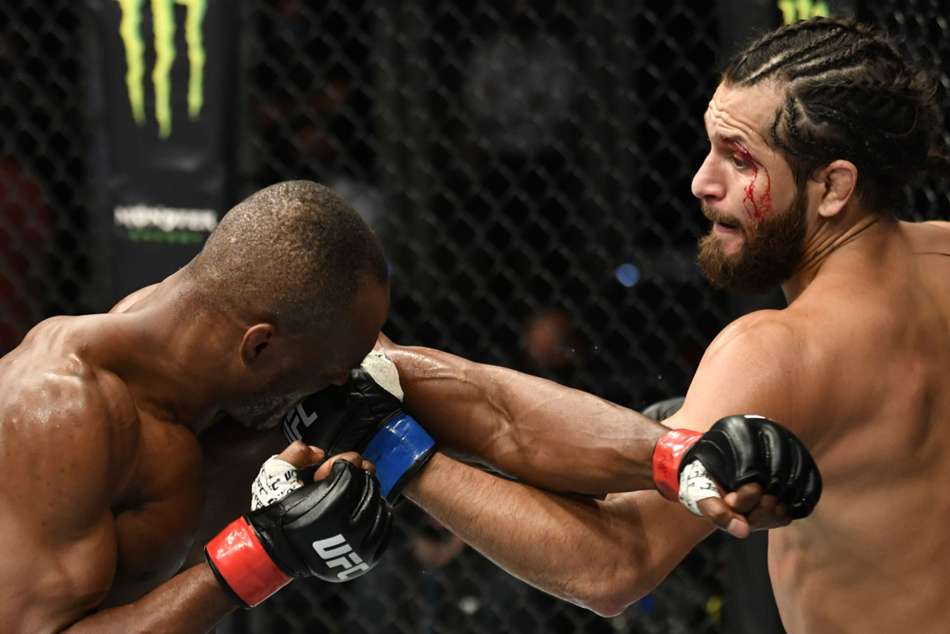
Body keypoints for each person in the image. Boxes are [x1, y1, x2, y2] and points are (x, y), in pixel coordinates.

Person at [289, 16, 950, 633]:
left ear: (833, 188)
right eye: (710, 147)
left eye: (740, 159)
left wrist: (391, 447)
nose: (701, 182)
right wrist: (389, 369)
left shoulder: (781, 353)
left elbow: (612, 566)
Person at [0, 180, 393, 633]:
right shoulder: (63, 411)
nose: (338, 384)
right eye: (329, 371)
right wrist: (264, 551)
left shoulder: (197, 348)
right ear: (259, 345)